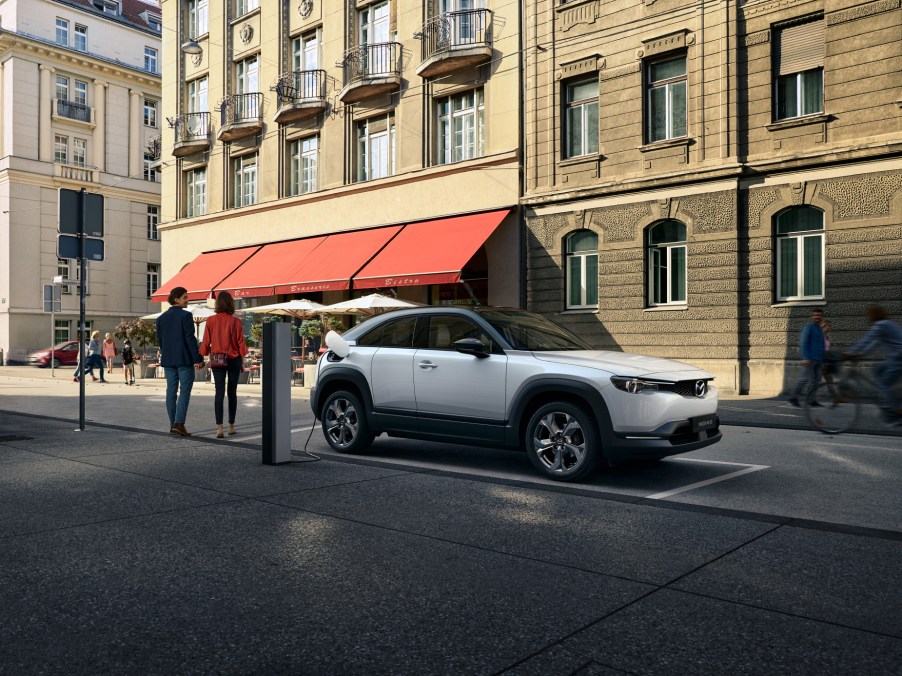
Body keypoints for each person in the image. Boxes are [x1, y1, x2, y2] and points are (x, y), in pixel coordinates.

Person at [156, 286, 204, 436]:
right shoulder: (185, 316)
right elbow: (190, 339)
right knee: (184, 391)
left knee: (171, 392)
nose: (187, 300)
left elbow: (161, 341)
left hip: (168, 360)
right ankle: (179, 424)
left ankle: (173, 425)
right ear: (176, 299)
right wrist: (197, 358)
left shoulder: (160, 318)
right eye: (185, 297)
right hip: (184, 360)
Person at [199, 291, 248, 438]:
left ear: (217, 303)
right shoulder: (236, 321)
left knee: (219, 392)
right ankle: (231, 426)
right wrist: (242, 361)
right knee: (232, 392)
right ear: (231, 303)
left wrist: (201, 357)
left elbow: (206, 342)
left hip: (217, 359)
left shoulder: (210, 321)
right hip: (234, 359)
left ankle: (219, 428)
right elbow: (241, 344)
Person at [843, 304, 902, 424]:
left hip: (899, 359)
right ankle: (886, 399)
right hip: (895, 358)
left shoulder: (880, 325)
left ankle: (896, 412)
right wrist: (861, 355)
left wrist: (849, 353)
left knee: (884, 385)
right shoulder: (886, 325)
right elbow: (873, 343)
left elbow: (866, 340)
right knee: (876, 369)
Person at [789, 307, 824, 407]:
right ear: (812, 316)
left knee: (816, 381)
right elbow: (803, 343)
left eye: (819, 315)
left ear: (822, 317)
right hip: (810, 359)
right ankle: (793, 398)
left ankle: (811, 400)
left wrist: (823, 359)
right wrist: (805, 357)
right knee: (803, 379)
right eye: (815, 315)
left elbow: (821, 345)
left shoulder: (820, 329)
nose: (817, 317)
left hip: (819, 359)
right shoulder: (808, 327)